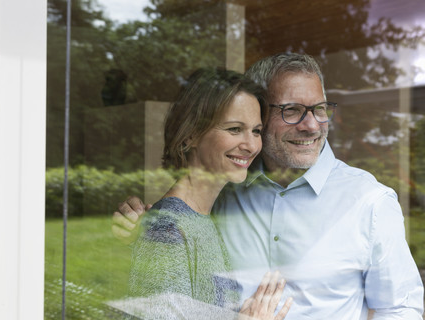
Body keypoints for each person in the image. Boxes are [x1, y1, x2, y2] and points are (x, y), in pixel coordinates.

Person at [113, 53, 425, 319]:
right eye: (292, 110)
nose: (312, 125)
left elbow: (402, 307)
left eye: (320, 108)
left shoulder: (370, 201)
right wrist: (144, 227)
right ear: (260, 111)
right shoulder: (225, 190)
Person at [126, 67, 293, 319]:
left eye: (256, 131)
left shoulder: (201, 219)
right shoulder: (168, 227)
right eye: (234, 129)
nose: (250, 145)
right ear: (190, 135)